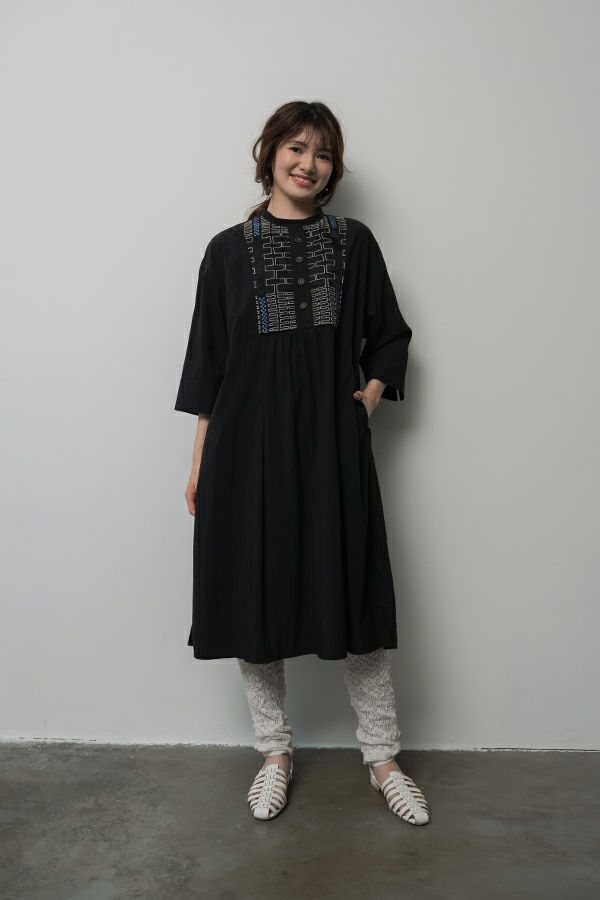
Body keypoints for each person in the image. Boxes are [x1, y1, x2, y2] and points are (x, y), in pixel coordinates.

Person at [174, 100, 429, 826]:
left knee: (354, 592)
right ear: (270, 154)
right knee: (252, 592)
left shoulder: (353, 244)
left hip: (329, 448)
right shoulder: (227, 251)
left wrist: (364, 403)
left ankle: (383, 759)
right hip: (244, 450)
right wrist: (199, 463)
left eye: (322, 153)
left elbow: (389, 336)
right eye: (295, 147)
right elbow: (209, 365)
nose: (307, 163)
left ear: (332, 169)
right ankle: (274, 754)